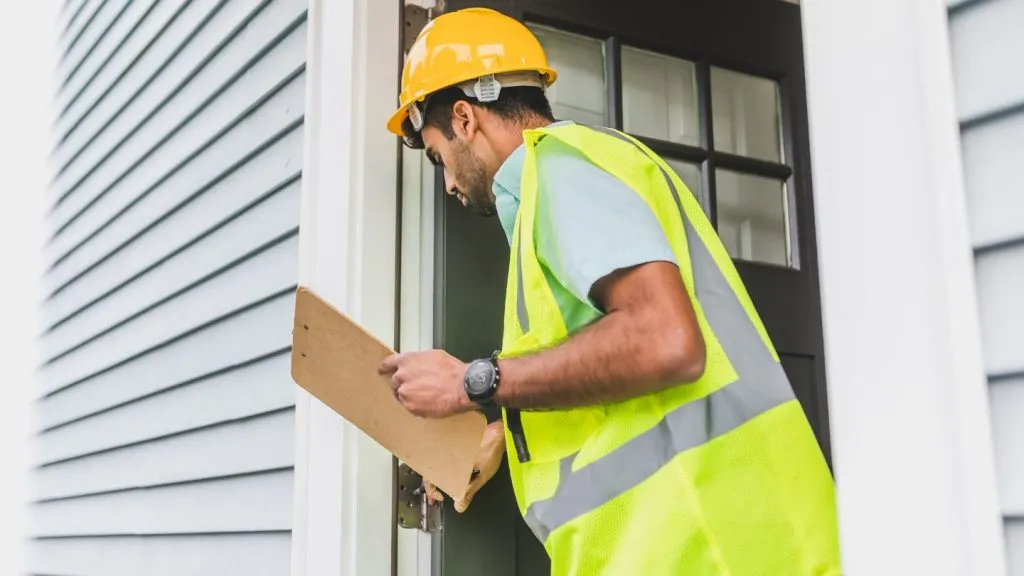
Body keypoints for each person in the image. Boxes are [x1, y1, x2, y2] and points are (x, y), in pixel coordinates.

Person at [377, 7, 841, 575]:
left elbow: (665, 341)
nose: (447, 181)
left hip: (710, 549)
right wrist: (505, 431)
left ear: (466, 118)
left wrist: (472, 383)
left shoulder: (561, 171)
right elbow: (607, 361)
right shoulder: (574, 179)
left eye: (437, 156)